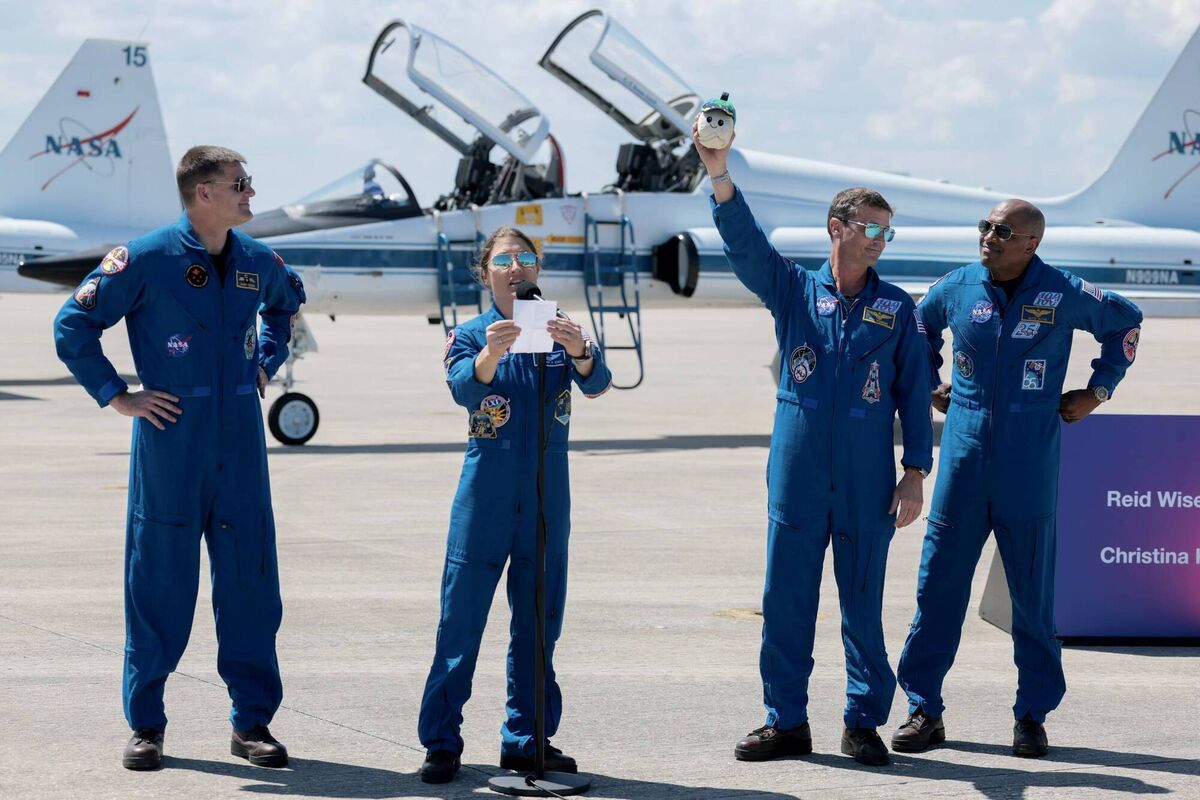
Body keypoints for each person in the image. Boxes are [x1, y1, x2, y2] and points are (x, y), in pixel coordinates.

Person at [54, 146, 306, 771]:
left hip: (240, 441)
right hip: (171, 439)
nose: (250, 194)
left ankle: (251, 723)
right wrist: (117, 395)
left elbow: (286, 303)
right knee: (158, 582)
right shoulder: (145, 258)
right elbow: (73, 324)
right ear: (204, 193)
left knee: (250, 582)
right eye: (240, 184)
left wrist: (265, 361)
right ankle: (146, 724)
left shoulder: (256, 260)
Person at [694, 119, 933, 767]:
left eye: (887, 231)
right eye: (871, 228)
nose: (879, 240)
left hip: (866, 478)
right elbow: (746, 246)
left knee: (863, 604)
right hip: (797, 475)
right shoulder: (795, 291)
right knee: (786, 603)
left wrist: (914, 472)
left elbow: (914, 394)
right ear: (837, 228)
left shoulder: (898, 309)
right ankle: (785, 721)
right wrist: (719, 173)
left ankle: (862, 722)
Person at [892, 200, 1143, 758]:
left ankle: (1032, 715)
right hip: (963, 457)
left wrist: (1098, 390)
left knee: (1031, 594)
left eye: (1003, 231)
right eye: (985, 226)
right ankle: (923, 708)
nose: (989, 236)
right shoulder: (957, 286)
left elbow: (1126, 320)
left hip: (1029, 459)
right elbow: (916, 330)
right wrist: (928, 382)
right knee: (938, 588)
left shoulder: (1064, 291)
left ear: (1032, 243)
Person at [417, 227, 613, 784]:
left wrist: (579, 350)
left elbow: (599, 383)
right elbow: (462, 387)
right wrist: (491, 352)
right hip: (487, 492)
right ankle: (441, 741)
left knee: (538, 622)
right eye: (504, 260)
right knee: (460, 622)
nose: (517, 268)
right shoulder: (470, 333)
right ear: (486, 273)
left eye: (527, 258)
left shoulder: (559, 329)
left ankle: (527, 740)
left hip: (548, 495)